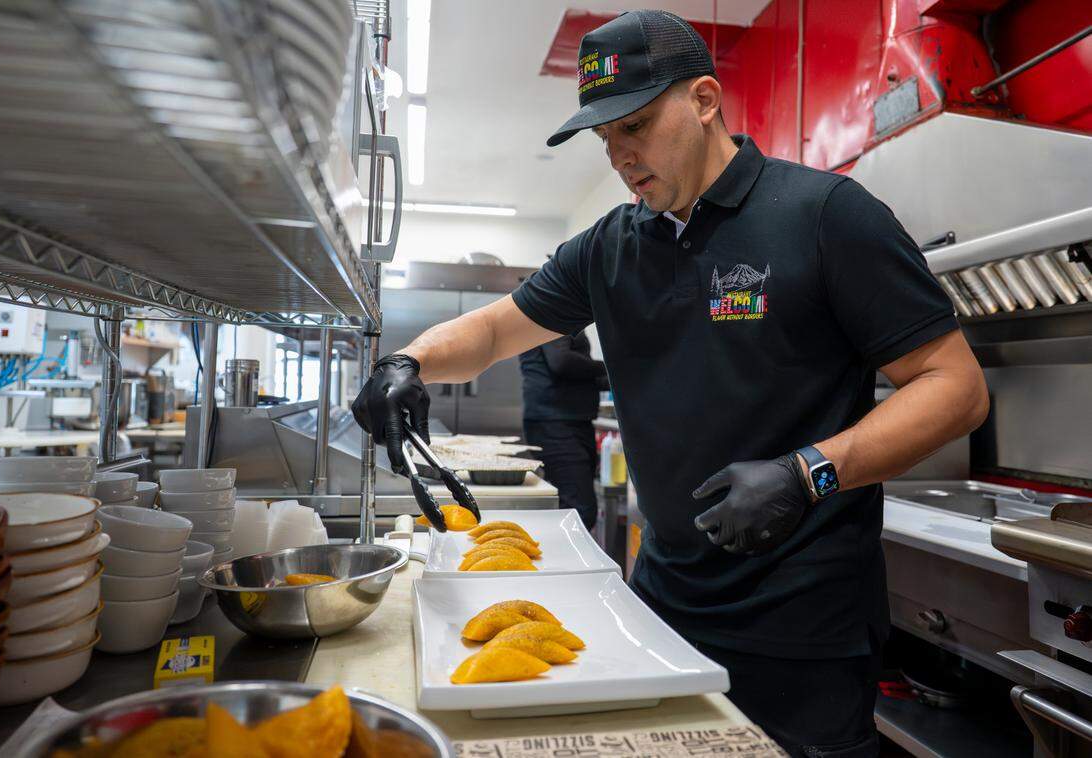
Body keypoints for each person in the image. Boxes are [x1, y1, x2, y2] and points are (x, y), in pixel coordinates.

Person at [352, 10, 988, 756]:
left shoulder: (823, 215)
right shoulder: (608, 249)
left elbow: (956, 386)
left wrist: (809, 471)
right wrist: (410, 362)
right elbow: (493, 330)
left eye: (639, 125)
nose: (621, 155)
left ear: (707, 100)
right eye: (607, 138)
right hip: (658, 607)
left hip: (803, 625)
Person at [518, 331, 608, 529]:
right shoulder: (553, 311)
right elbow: (561, 361)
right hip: (556, 422)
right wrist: (609, 366)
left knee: (573, 506)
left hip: (567, 420)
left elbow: (580, 374)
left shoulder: (564, 318)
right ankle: (556, 559)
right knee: (579, 511)